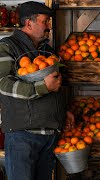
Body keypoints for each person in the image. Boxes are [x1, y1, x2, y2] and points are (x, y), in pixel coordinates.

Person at [0, 1, 74, 180]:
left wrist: (64, 110)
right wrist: (42, 87)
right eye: (45, 21)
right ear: (29, 23)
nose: (49, 26)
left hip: (48, 135)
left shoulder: (47, 51)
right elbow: (3, 83)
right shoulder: (7, 46)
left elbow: (55, 85)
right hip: (23, 136)